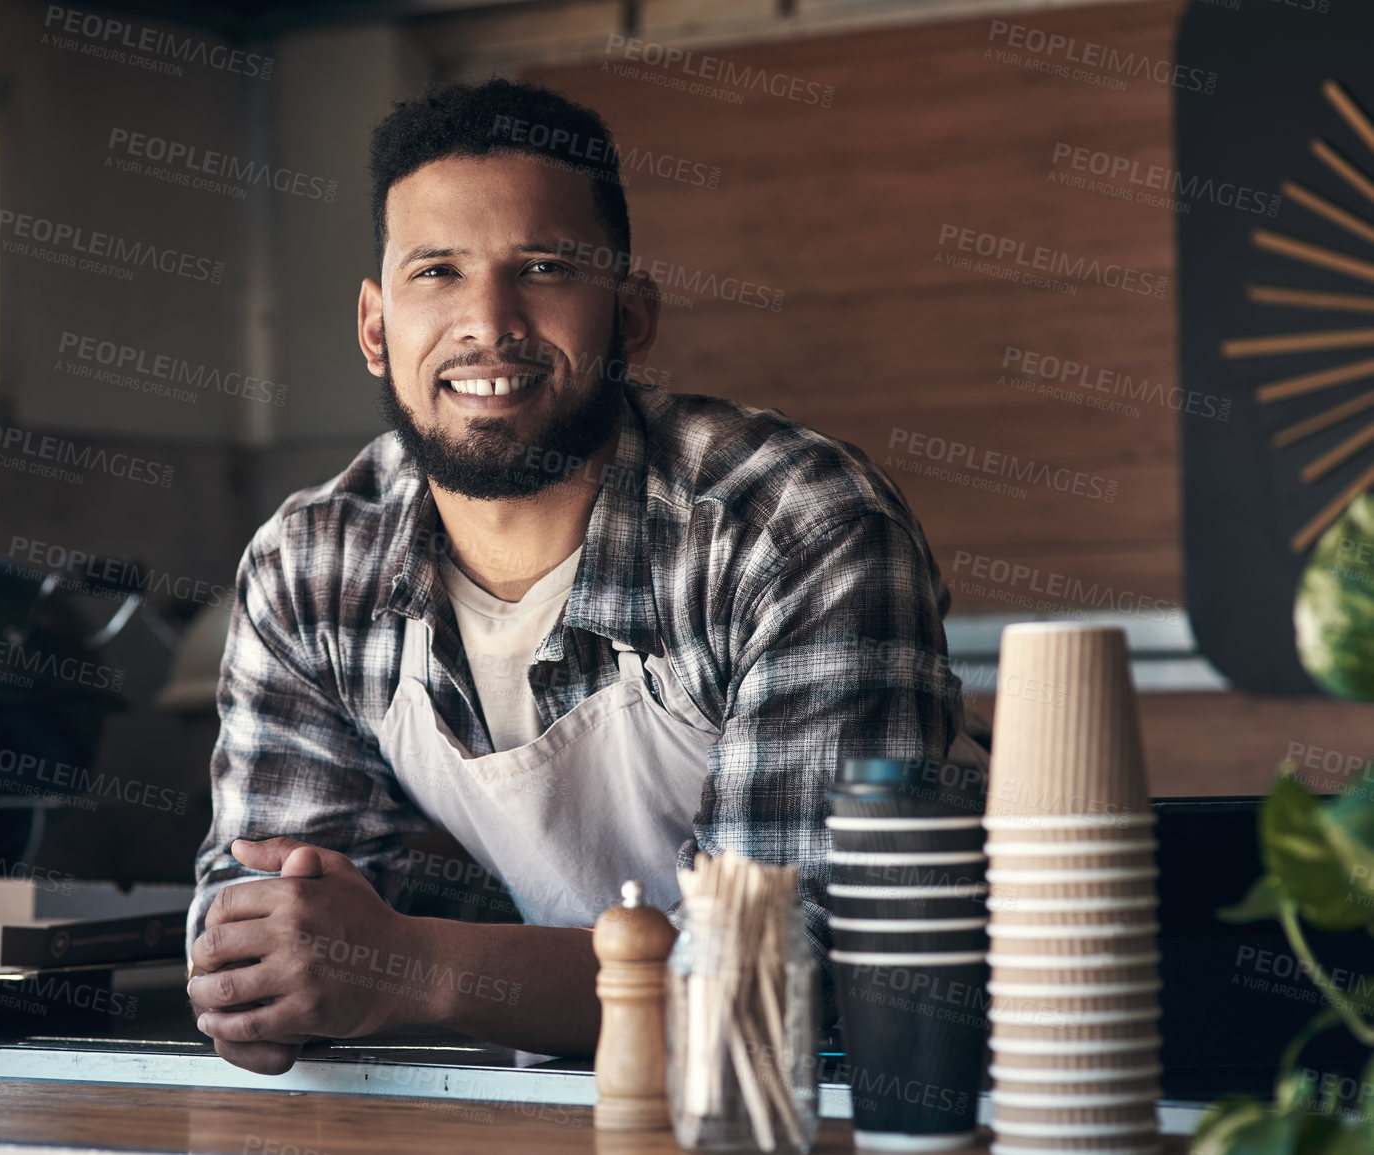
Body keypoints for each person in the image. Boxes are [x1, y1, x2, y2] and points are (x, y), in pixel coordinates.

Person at [185, 77, 983, 1075]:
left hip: (874, 1107)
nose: (490, 321)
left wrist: (412, 970)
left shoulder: (788, 527)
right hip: (567, 1093)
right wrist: (266, 980)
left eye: (545, 267)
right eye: (436, 271)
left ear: (632, 316)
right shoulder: (312, 569)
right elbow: (249, 917)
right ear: (375, 327)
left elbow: (791, 978)